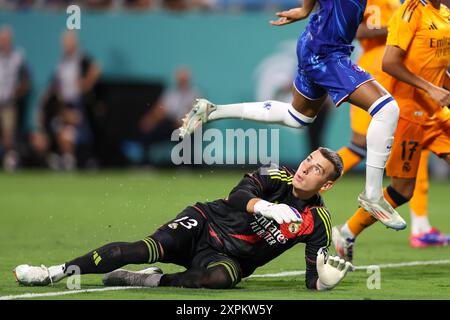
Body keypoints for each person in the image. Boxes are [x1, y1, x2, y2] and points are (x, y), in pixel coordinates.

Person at [179, 0, 405, 231]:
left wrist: (306, 9)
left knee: (298, 116)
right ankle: (373, 195)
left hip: (316, 42)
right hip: (326, 51)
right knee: (387, 109)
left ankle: (214, 110)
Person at [14, 147, 352, 291]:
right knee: (138, 250)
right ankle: (53, 272)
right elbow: (238, 196)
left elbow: (311, 281)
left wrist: (324, 282)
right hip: (204, 223)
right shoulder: (276, 175)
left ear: (328, 183)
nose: (306, 169)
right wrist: (265, 207)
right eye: (308, 160)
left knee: (220, 281)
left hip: (228, 258)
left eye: (317, 169)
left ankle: (148, 281)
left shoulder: (317, 222)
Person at [333, 0, 450, 262]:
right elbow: (390, 63)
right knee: (402, 190)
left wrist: (441, 88)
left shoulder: (442, 13)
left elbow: (436, 66)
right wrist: (430, 88)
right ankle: (348, 231)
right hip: (410, 115)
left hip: (437, 113)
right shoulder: (409, 12)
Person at [31, 30, 100, 170]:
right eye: (64, 43)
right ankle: (57, 159)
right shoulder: (61, 63)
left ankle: (70, 160)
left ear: (75, 43)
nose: (66, 45)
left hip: (77, 106)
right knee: (45, 133)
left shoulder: (82, 59)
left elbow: (96, 69)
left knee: (67, 132)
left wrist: (84, 85)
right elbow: (54, 85)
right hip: (61, 107)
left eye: (69, 42)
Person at [0, 25, 30, 171]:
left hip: (8, 102)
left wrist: (17, 93)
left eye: (6, 39)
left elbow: (26, 79)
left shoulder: (18, 57)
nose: (3, 41)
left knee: (8, 134)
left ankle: (9, 160)